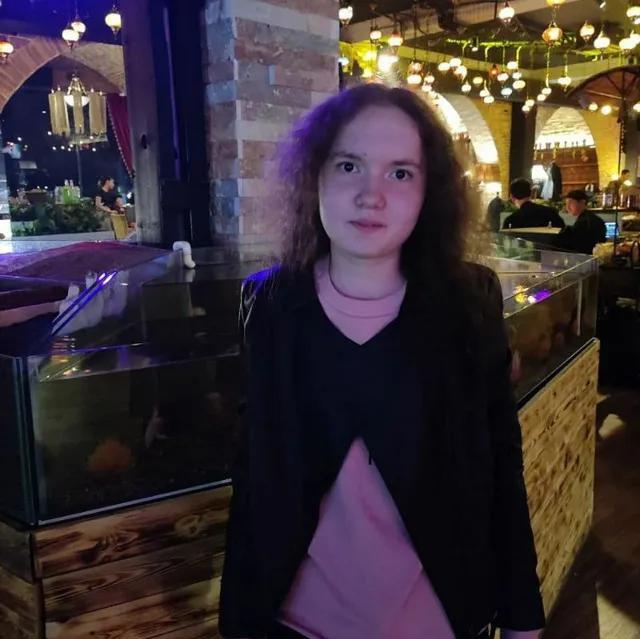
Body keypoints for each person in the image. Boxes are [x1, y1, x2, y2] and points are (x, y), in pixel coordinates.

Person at [219, 84, 545, 639]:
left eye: (400, 173)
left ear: (428, 191)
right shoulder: (270, 304)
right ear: (315, 177)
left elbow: (499, 465)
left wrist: (522, 617)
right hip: (296, 623)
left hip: (439, 622)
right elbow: (254, 471)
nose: (371, 196)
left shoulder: (469, 302)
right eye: (349, 166)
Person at [558, 189, 606, 255]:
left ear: (582, 202)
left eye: (571, 203)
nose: (567, 207)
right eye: (566, 204)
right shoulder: (592, 218)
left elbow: (579, 247)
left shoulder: (585, 222)